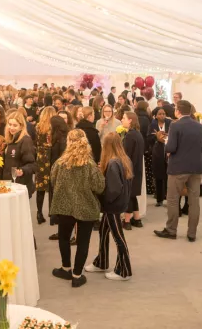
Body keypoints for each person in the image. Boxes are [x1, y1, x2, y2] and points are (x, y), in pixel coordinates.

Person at [50, 129, 106, 288]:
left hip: (64, 206)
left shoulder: (60, 163)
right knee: (83, 242)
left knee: (64, 237)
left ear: (68, 142)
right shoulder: (89, 164)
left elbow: (53, 181)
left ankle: (65, 268)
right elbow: (99, 187)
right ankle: (77, 275)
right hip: (86, 207)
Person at [154, 100, 202, 242]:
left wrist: (165, 143)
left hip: (178, 167)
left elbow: (171, 148)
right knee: (194, 201)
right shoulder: (199, 127)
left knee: (172, 199)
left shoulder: (175, 125)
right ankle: (192, 233)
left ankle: (171, 230)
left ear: (178, 111)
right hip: (196, 168)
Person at [85, 132, 133, 281]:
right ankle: (101, 261)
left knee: (118, 237)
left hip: (112, 205)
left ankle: (124, 270)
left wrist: (103, 199)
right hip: (118, 203)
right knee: (103, 232)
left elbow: (113, 189)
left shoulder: (112, 163)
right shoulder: (124, 159)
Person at [3, 112, 37, 197]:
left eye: (15, 125)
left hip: (20, 185)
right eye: (10, 124)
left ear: (21, 126)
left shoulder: (26, 140)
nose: (11, 127)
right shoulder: (10, 139)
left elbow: (32, 165)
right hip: (8, 184)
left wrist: (22, 170)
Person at [120, 111, 145, 230]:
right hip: (137, 169)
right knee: (132, 194)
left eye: (124, 118)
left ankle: (127, 221)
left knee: (128, 195)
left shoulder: (130, 135)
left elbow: (126, 155)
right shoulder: (138, 134)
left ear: (130, 120)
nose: (121, 120)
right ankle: (137, 218)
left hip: (129, 169)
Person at [48, 116, 71, 239]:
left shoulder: (62, 140)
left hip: (60, 176)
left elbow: (62, 159)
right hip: (57, 175)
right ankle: (62, 232)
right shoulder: (60, 138)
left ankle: (63, 233)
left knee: (61, 204)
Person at [35, 107, 57, 224]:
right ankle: (52, 215)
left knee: (40, 187)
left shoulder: (38, 126)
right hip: (52, 156)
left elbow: (36, 142)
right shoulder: (54, 127)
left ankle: (39, 213)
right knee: (52, 186)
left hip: (41, 158)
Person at [147, 107, 172, 207]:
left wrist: (167, 136)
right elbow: (148, 138)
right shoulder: (152, 124)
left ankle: (169, 197)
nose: (162, 115)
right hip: (157, 152)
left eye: (164, 113)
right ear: (156, 116)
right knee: (158, 176)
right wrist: (156, 137)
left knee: (168, 176)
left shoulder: (170, 123)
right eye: (160, 114)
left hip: (169, 151)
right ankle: (159, 199)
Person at [135, 101, 154, 197]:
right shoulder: (146, 119)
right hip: (145, 146)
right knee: (147, 168)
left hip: (138, 146)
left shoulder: (135, 117)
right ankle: (149, 188)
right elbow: (147, 134)